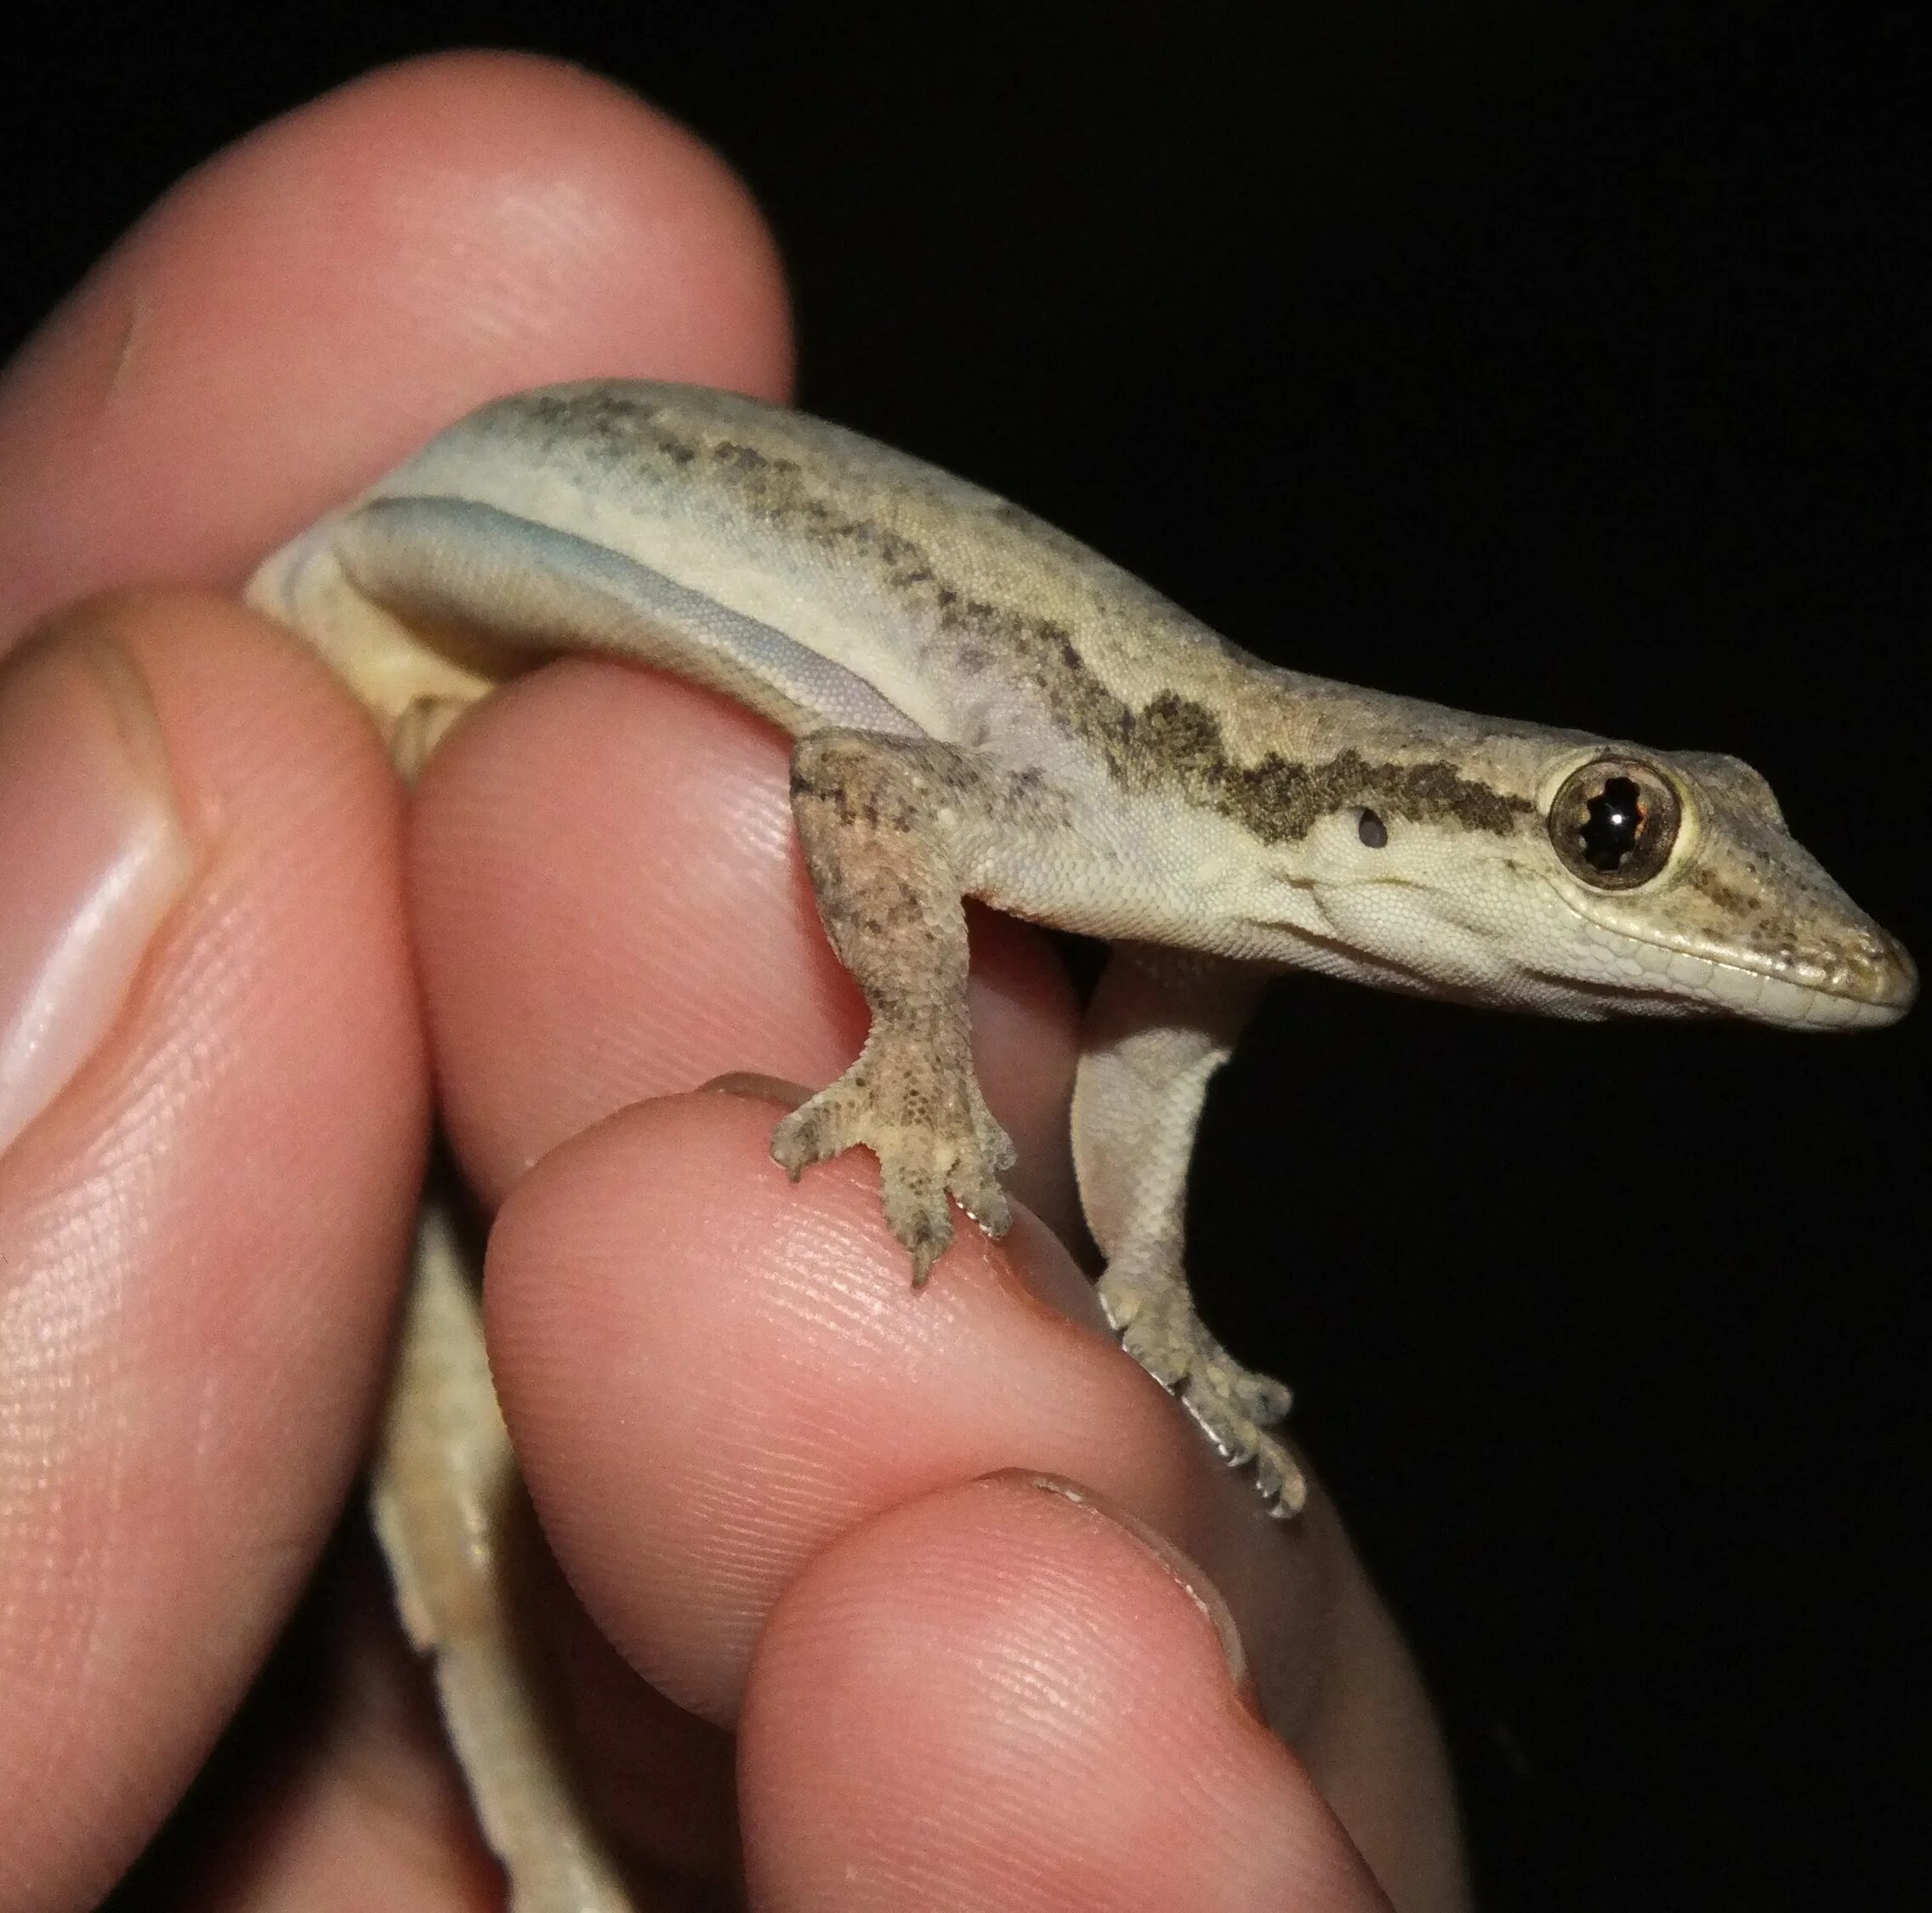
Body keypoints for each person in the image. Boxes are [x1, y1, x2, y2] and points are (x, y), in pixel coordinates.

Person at [0, 52, 1463, 1910]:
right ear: (1408, 811)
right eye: (1609, 833)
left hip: (431, 730)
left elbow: (1144, 1077)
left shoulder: (1206, 905)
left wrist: (1154, 1302)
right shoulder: (1147, 783)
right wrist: (921, 1052)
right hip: (345, 616)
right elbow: (855, 776)